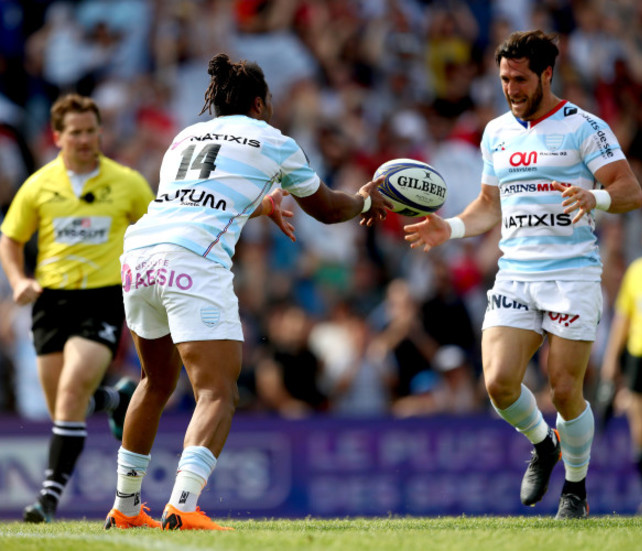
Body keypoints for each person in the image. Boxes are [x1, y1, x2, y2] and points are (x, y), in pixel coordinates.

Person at [103, 52, 389, 531]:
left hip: (140, 257)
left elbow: (198, 198)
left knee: (155, 384)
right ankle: (183, 505)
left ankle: (126, 507)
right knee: (217, 391)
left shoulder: (184, 137)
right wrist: (365, 198)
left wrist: (261, 208)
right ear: (260, 103)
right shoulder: (274, 141)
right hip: (192, 261)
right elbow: (325, 208)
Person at [404, 30, 642, 519]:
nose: (511, 88)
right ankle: (544, 443)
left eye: (520, 79)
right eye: (504, 79)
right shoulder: (497, 132)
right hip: (516, 273)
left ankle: (575, 489)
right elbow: (489, 206)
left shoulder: (583, 127)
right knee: (498, 383)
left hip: (572, 274)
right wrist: (447, 228)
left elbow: (631, 190)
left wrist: (594, 197)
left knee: (563, 388)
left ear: (546, 75)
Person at [0, 94, 155, 523]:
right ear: (58, 136)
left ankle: (47, 499)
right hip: (50, 302)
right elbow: (10, 239)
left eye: (91, 130)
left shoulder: (127, 183)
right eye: (76, 132)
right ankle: (116, 398)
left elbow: (158, 229)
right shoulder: (39, 184)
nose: (85, 139)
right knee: (64, 409)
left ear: (100, 132)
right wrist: (19, 281)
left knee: (70, 394)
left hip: (102, 299)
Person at [598, 213, 642, 516]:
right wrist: (610, 367)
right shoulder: (637, 271)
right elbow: (623, 320)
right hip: (641, 358)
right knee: (641, 428)